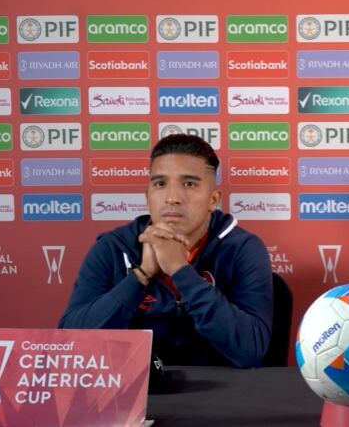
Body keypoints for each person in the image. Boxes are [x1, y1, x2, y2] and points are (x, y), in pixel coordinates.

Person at [59, 134, 273, 368]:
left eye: (189, 184)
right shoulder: (112, 247)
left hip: (221, 388)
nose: (172, 198)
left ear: (213, 200)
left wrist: (180, 271)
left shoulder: (243, 248)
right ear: (147, 197)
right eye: (160, 184)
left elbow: (250, 350)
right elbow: (71, 343)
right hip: (133, 388)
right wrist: (140, 276)